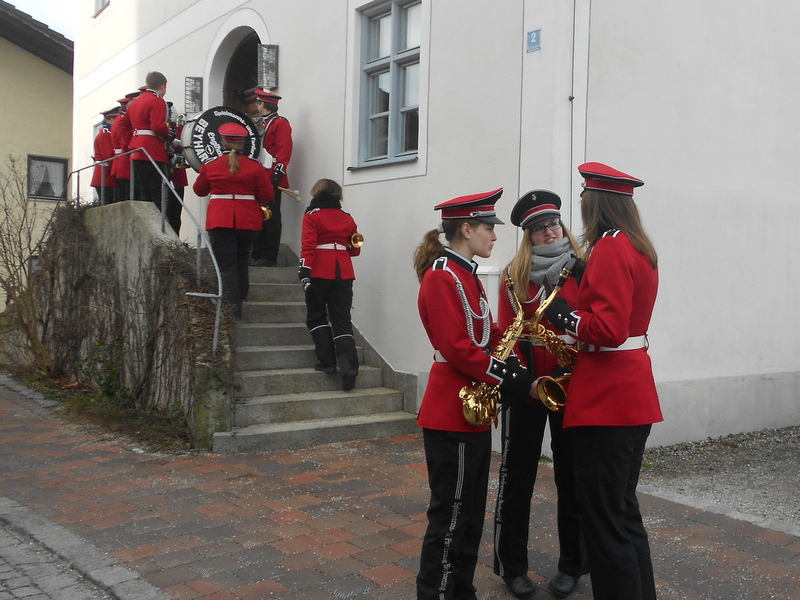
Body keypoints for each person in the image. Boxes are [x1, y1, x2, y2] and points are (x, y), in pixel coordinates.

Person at [544, 162, 662, 600]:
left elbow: (609, 328)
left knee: (604, 523)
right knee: (623, 513)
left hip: (607, 398)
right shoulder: (636, 245)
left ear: (597, 205)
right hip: (631, 391)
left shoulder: (611, 247)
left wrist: (565, 315)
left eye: (583, 202)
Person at [413, 189, 535, 600]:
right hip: (451, 409)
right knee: (450, 513)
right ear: (466, 229)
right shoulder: (442, 275)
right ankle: (438, 592)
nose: (495, 237)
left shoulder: (466, 273)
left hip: (472, 410)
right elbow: (457, 347)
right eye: (489, 228)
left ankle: (459, 590)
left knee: (469, 510)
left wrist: (518, 363)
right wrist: (511, 378)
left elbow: (487, 331)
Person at [492, 190, 586, 600]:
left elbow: (593, 321)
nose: (549, 232)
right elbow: (505, 331)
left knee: (573, 478)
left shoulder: (583, 269)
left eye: (553, 224)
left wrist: (568, 372)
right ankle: (512, 567)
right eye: (538, 228)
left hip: (572, 384)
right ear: (528, 236)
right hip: (526, 387)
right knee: (516, 480)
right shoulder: (514, 275)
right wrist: (523, 379)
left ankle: (573, 566)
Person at [192, 123, 274, 318]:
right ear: (242, 144)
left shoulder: (211, 165)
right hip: (248, 219)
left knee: (225, 264)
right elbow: (267, 194)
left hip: (220, 218)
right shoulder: (255, 166)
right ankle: (242, 295)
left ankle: (230, 310)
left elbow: (199, 190)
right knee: (242, 257)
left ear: (222, 141)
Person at [298, 179, 361, 391]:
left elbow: (308, 246)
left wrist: (304, 272)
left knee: (316, 316)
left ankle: (327, 361)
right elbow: (355, 250)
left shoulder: (312, 216)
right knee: (342, 319)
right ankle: (348, 366)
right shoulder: (348, 218)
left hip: (319, 270)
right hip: (343, 271)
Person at [250, 88, 293, 267]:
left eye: (258, 102)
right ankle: (257, 252)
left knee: (271, 218)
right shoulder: (264, 124)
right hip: (260, 176)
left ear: (263, 104)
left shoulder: (280, 123)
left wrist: (276, 176)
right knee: (259, 216)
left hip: (271, 176)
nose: (257, 105)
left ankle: (269, 256)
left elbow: (284, 153)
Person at [128, 71, 174, 209]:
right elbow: (157, 126)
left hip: (136, 148)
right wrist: (169, 132)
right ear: (163, 86)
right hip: (151, 149)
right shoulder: (157, 100)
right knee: (157, 190)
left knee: (144, 190)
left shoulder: (136, 102)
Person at [110, 91, 139, 201]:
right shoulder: (123, 120)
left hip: (123, 160)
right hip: (126, 160)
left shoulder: (120, 119)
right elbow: (126, 140)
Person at [91, 107, 119, 205]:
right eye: (116, 118)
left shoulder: (109, 133)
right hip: (105, 175)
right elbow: (109, 155)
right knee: (107, 202)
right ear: (108, 119)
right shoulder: (105, 134)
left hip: (107, 175)